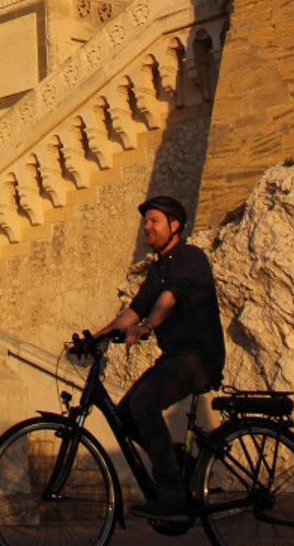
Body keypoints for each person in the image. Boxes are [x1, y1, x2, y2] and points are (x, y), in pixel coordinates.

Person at [96, 196, 225, 521]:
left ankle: (170, 492)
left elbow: (167, 301)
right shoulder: (159, 267)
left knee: (144, 404)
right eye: (146, 221)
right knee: (125, 415)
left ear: (174, 225)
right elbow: (135, 309)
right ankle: (177, 465)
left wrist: (147, 326)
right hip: (175, 358)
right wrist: (96, 336)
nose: (147, 227)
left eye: (154, 221)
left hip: (198, 357)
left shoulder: (189, 258)